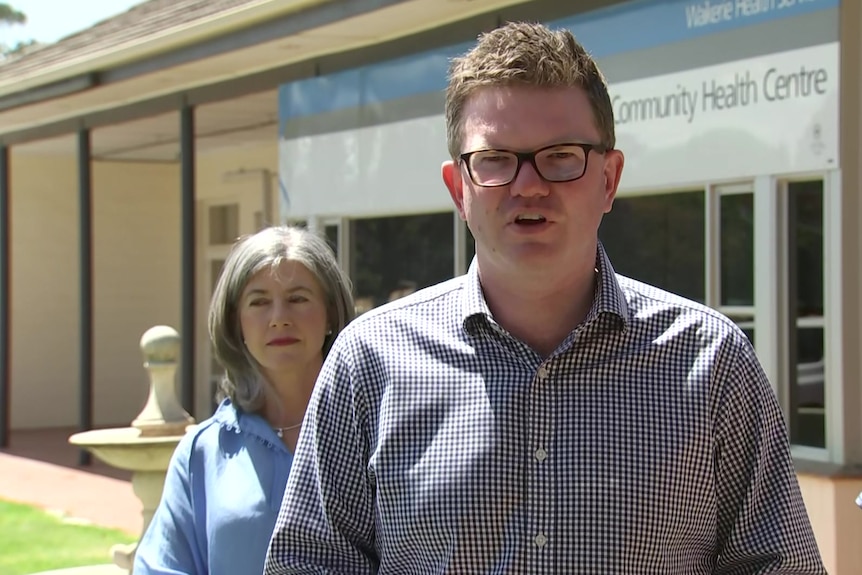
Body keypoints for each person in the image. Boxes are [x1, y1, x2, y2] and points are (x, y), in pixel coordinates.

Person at [264, 22, 825, 574]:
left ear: (609, 179)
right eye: (496, 159)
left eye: (560, 156)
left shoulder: (712, 363)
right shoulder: (370, 362)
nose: (528, 185)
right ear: (459, 188)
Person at [133, 225, 354, 575]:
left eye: (298, 298)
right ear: (237, 323)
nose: (279, 318)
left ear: (330, 313)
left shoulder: (373, 431)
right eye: (259, 302)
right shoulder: (201, 454)